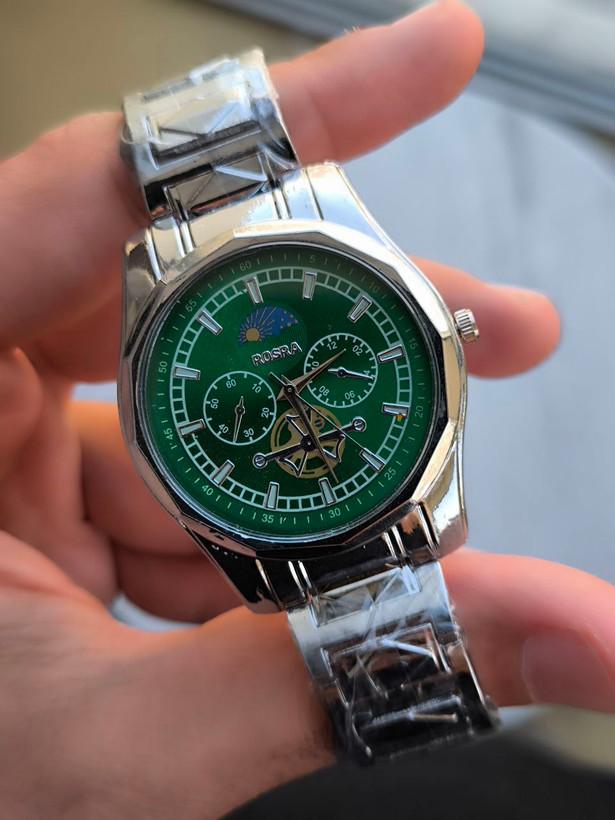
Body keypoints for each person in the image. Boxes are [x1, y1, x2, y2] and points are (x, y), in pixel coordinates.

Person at [0, 2, 612, 818]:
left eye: (306, 376)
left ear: (442, 330)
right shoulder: (224, 269)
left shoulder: (316, 210)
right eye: (279, 385)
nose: (290, 388)